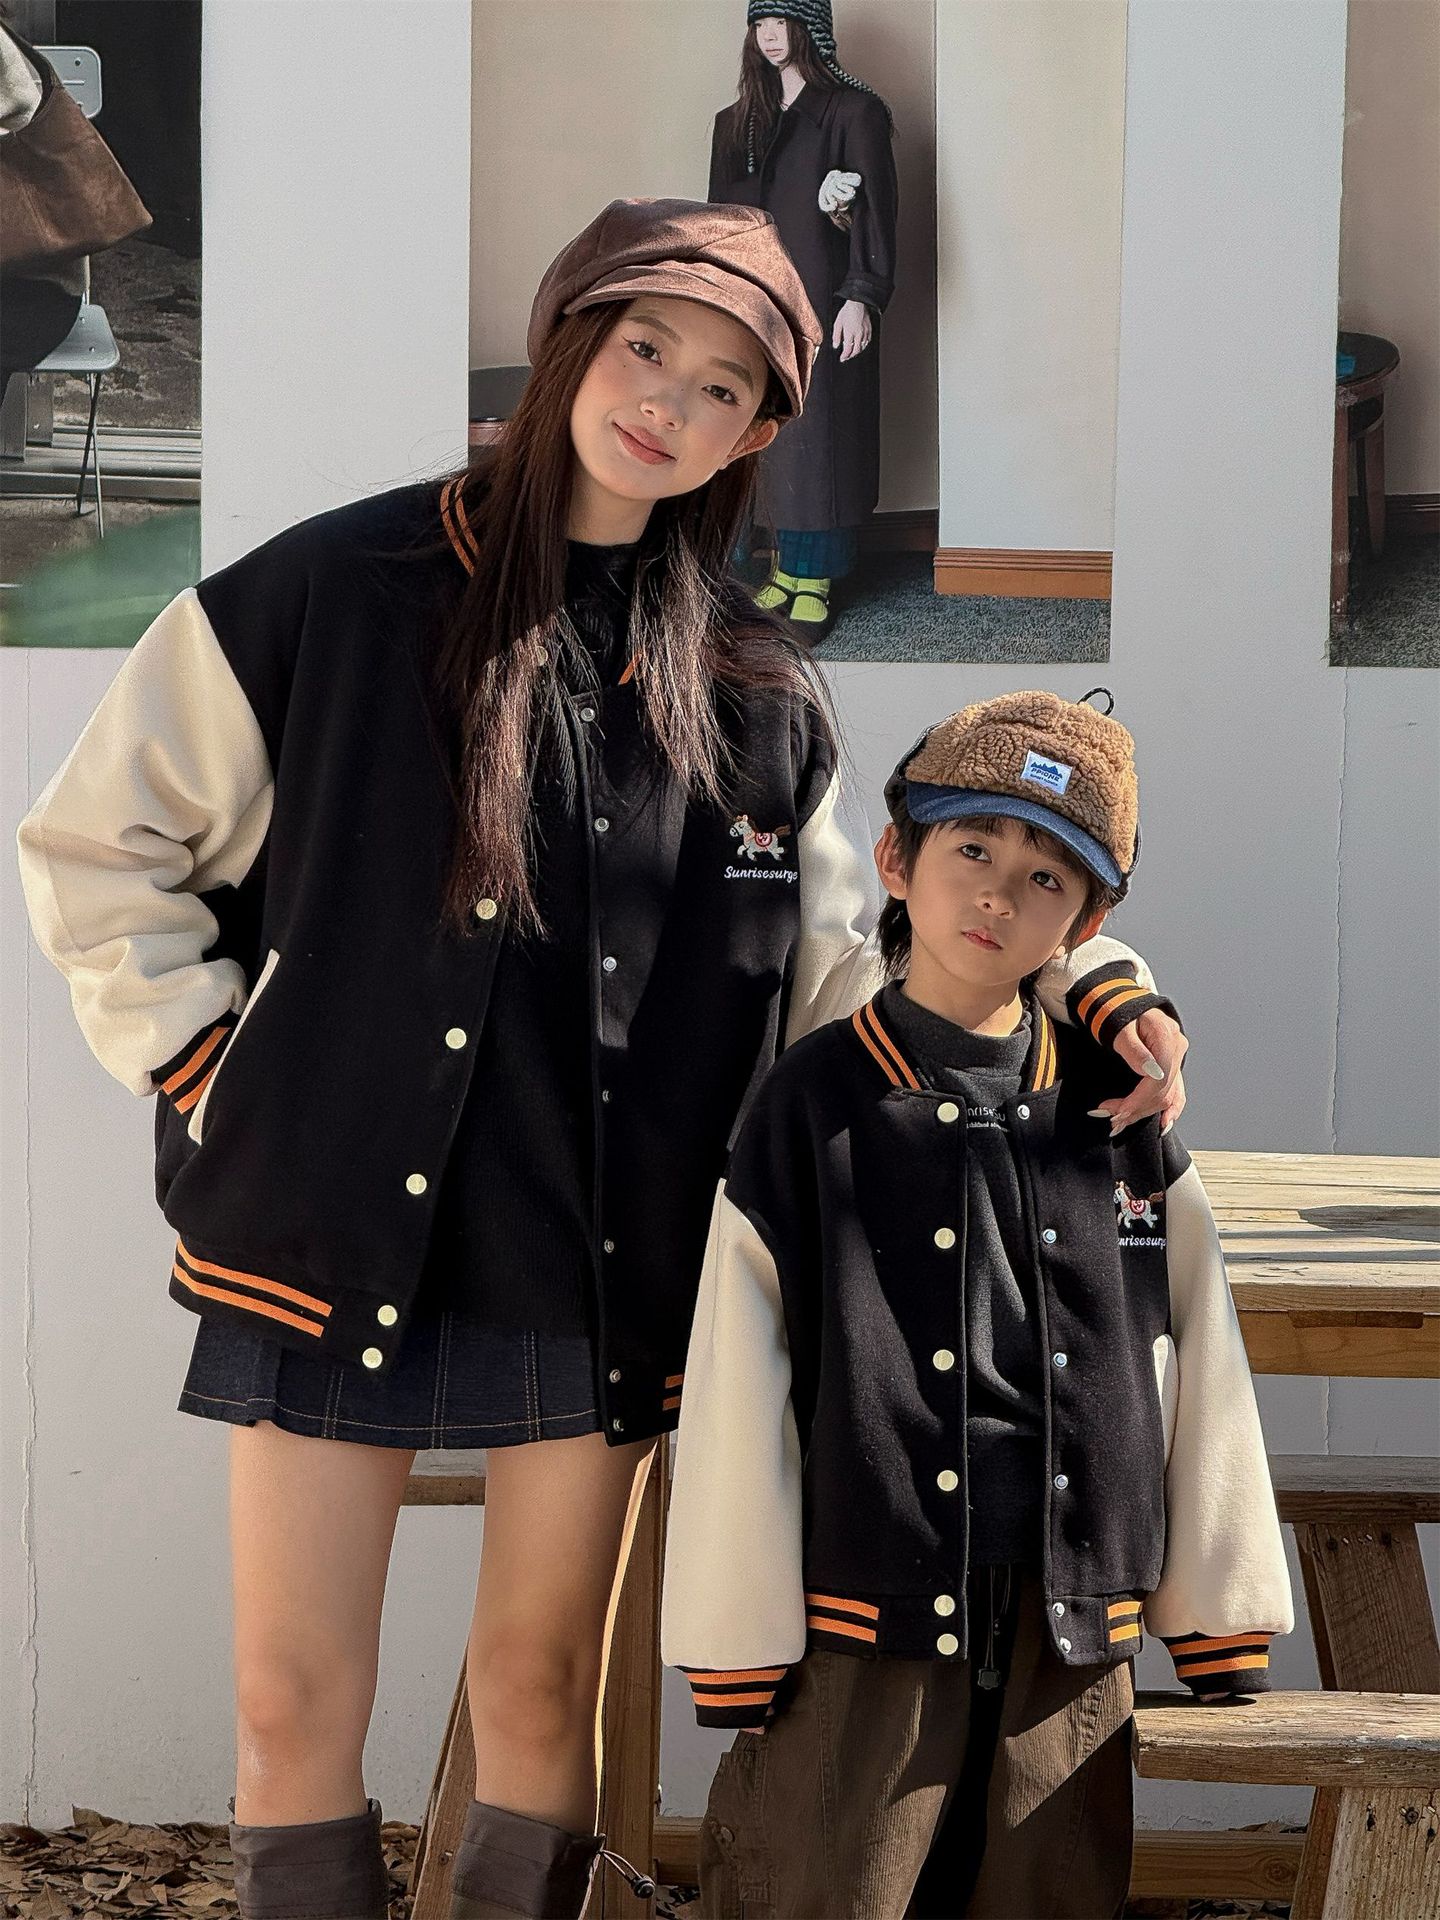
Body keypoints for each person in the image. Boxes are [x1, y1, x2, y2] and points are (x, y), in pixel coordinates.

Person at [17, 195, 1186, 1920]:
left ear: (759, 434)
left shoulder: (757, 690)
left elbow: (859, 969)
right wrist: (216, 1078)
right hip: (323, 1226)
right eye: (645, 350)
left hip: (596, 1251)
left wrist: (1094, 981)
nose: (667, 405)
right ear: (569, 340)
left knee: (539, 1687)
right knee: (286, 1700)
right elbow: (96, 846)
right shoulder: (328, 590)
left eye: (721, 389)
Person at [661, 689, 1291, 1919]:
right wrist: (736, 1637)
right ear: (896, 861)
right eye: (972, 850)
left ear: (1086, 923)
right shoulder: (808, 1105)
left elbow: (1198, 1349)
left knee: (1048, 1891)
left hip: (1073, 1621)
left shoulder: (1121, 1113)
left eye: (1047, 878)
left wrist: (1219, 1615)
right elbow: (739, 1381)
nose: (1000, 895)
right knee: (831, 1887)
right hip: (863, 1618)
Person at [710, 3, 898, 640]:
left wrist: (861, 296)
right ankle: (785, 570)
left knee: (822, 442)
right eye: (759, 23)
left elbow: (876, 215)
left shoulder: (853, 113)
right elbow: (722, 223)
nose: (770, 36)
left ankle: (815, 578)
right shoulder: (736, 124)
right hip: (759, 305)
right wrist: (722, 301)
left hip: (825, 299)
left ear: (811, 29)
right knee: (773, 436)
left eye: (783, 21)